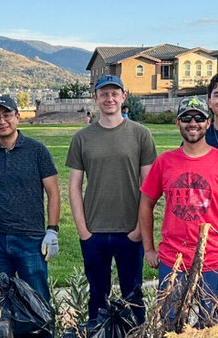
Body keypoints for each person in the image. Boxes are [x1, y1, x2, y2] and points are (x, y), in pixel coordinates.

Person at [139, 98, 218, 315]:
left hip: (213, 261)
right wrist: (149, 248)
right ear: (177, 123)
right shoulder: (164, 161)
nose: (193, 123)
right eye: (186, 117)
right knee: (170, 327)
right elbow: (145, 204)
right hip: (173, 261)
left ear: (208, 123)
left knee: (211, 329)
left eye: (199, 117)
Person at [67, 74, 156, 322]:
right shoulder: (82, 138)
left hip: (130, 230)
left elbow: (149, 187)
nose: (109, 98)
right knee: (97, 297)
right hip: (94, 232)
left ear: (123, 97)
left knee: (133, 296)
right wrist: (83, 230)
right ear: (95, 98)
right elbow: (74, 187)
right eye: (104, 94)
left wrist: (139, 229)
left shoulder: (141, 135)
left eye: (114, 93)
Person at [0, 94, 61, 301]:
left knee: (36, 300)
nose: (1, 121)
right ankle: (6, 335)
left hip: (31, 238)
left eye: (6, 115)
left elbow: (53, 192)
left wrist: (52, 230)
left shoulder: (37, 151)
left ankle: (41, 335)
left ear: (18, 117)